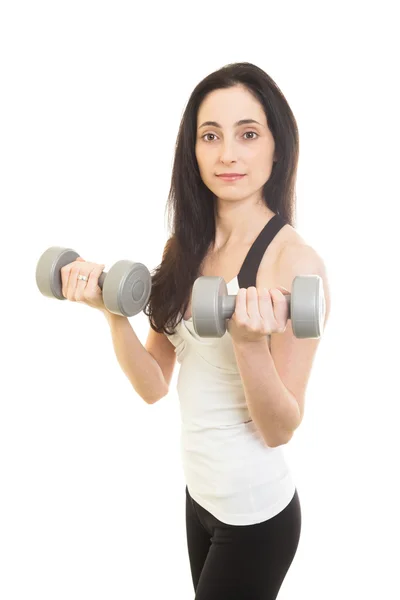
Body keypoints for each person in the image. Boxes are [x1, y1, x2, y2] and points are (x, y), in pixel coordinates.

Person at [61, 61, 331, 599]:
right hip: (200, 499)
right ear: (194, 151)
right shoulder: (182, 249)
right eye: (211, 136)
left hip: (256, 517)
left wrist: (251, 343)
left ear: (277, 148)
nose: (228, 153)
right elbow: (153, 385)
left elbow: (280, 428)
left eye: (248, 134)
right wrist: (112, 314)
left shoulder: (296, 265)